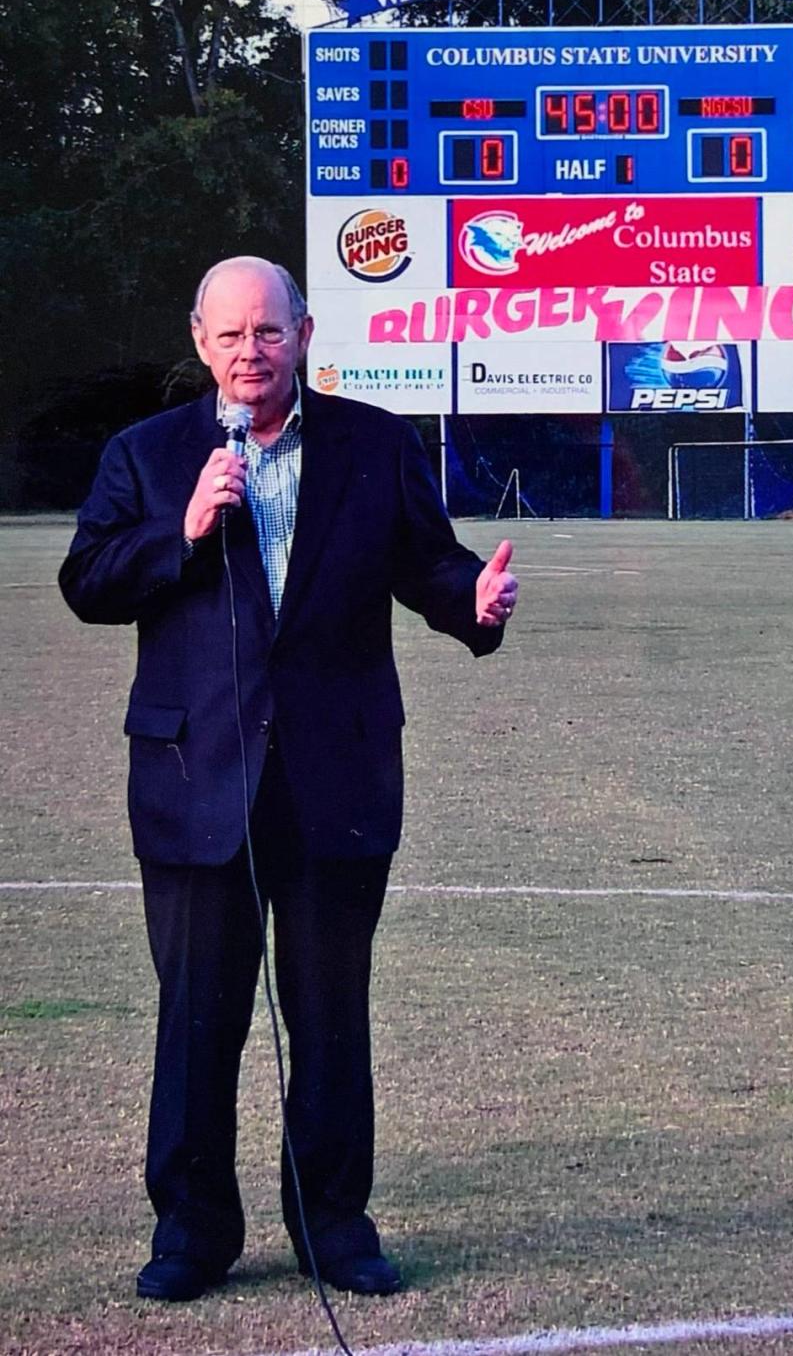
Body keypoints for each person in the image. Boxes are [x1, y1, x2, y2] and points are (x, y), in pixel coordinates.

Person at [59, 256, 518, 1303]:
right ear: (198, 340)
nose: (249, 354)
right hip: (194, 779)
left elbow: (430, 564)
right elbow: (88, 580)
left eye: (268, 333)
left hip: (335, 777)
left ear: (304, 332)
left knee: (329, 1013)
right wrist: (178, 531)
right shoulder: (148, 454)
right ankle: (191, 1230)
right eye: (229, 337)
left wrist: (475, 604)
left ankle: (335, 1224)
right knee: (197, 1016)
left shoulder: (374, 443)